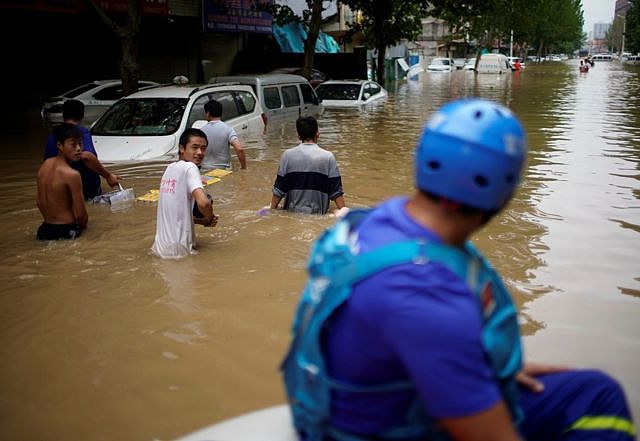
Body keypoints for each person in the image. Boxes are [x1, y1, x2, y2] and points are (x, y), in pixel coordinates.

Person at [281, 98, 636, 441]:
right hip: (381, 428)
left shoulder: (380, 220)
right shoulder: (426, 291)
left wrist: (482, 373)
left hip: (349, 405)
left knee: (592, 391)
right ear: (505, 192)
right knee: (600, 400)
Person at [151, 128, 218, 259]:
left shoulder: (169, 169)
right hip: (179, 252)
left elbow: (176, 215)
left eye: (203, 148)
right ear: (182, 148)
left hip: (160, 249)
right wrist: (209, 219)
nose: (200, 152)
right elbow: (204, 203)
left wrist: (201, 221)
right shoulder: (190, 167)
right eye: (195, 147)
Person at [43, 99, 121, 200]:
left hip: (56, 190)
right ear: (82, 115)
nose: (78, 147)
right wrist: (108, 176)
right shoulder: (80, 132)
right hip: (83, 189)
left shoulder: (53, 134)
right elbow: (87, 156)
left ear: (63, 115)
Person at [270, 116, 345, 215]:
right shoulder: (328, 157)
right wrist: (345, 212)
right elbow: (336, 192)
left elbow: (278, 190)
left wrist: (271, 210)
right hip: (318, 216)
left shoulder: (287, 155)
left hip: (291, 216)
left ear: (299, 136)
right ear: (317, 134)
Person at [36, 123, 88, 240]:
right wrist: (85, 230)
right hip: (66, 231)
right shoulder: (72, 174)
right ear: (60, 145)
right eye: (73, 144)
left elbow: (39, 202)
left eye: (80, 143)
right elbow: (81, 214)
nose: (79, 149)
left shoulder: (45, 165)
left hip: (44, 230)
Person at [200, 99, 246, 170]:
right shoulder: (228, 129)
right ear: (221, 113)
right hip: (224, 170)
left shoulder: (201, 131)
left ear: (208, 113)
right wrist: (244, 168)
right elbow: (239, 149)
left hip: (205, 170)